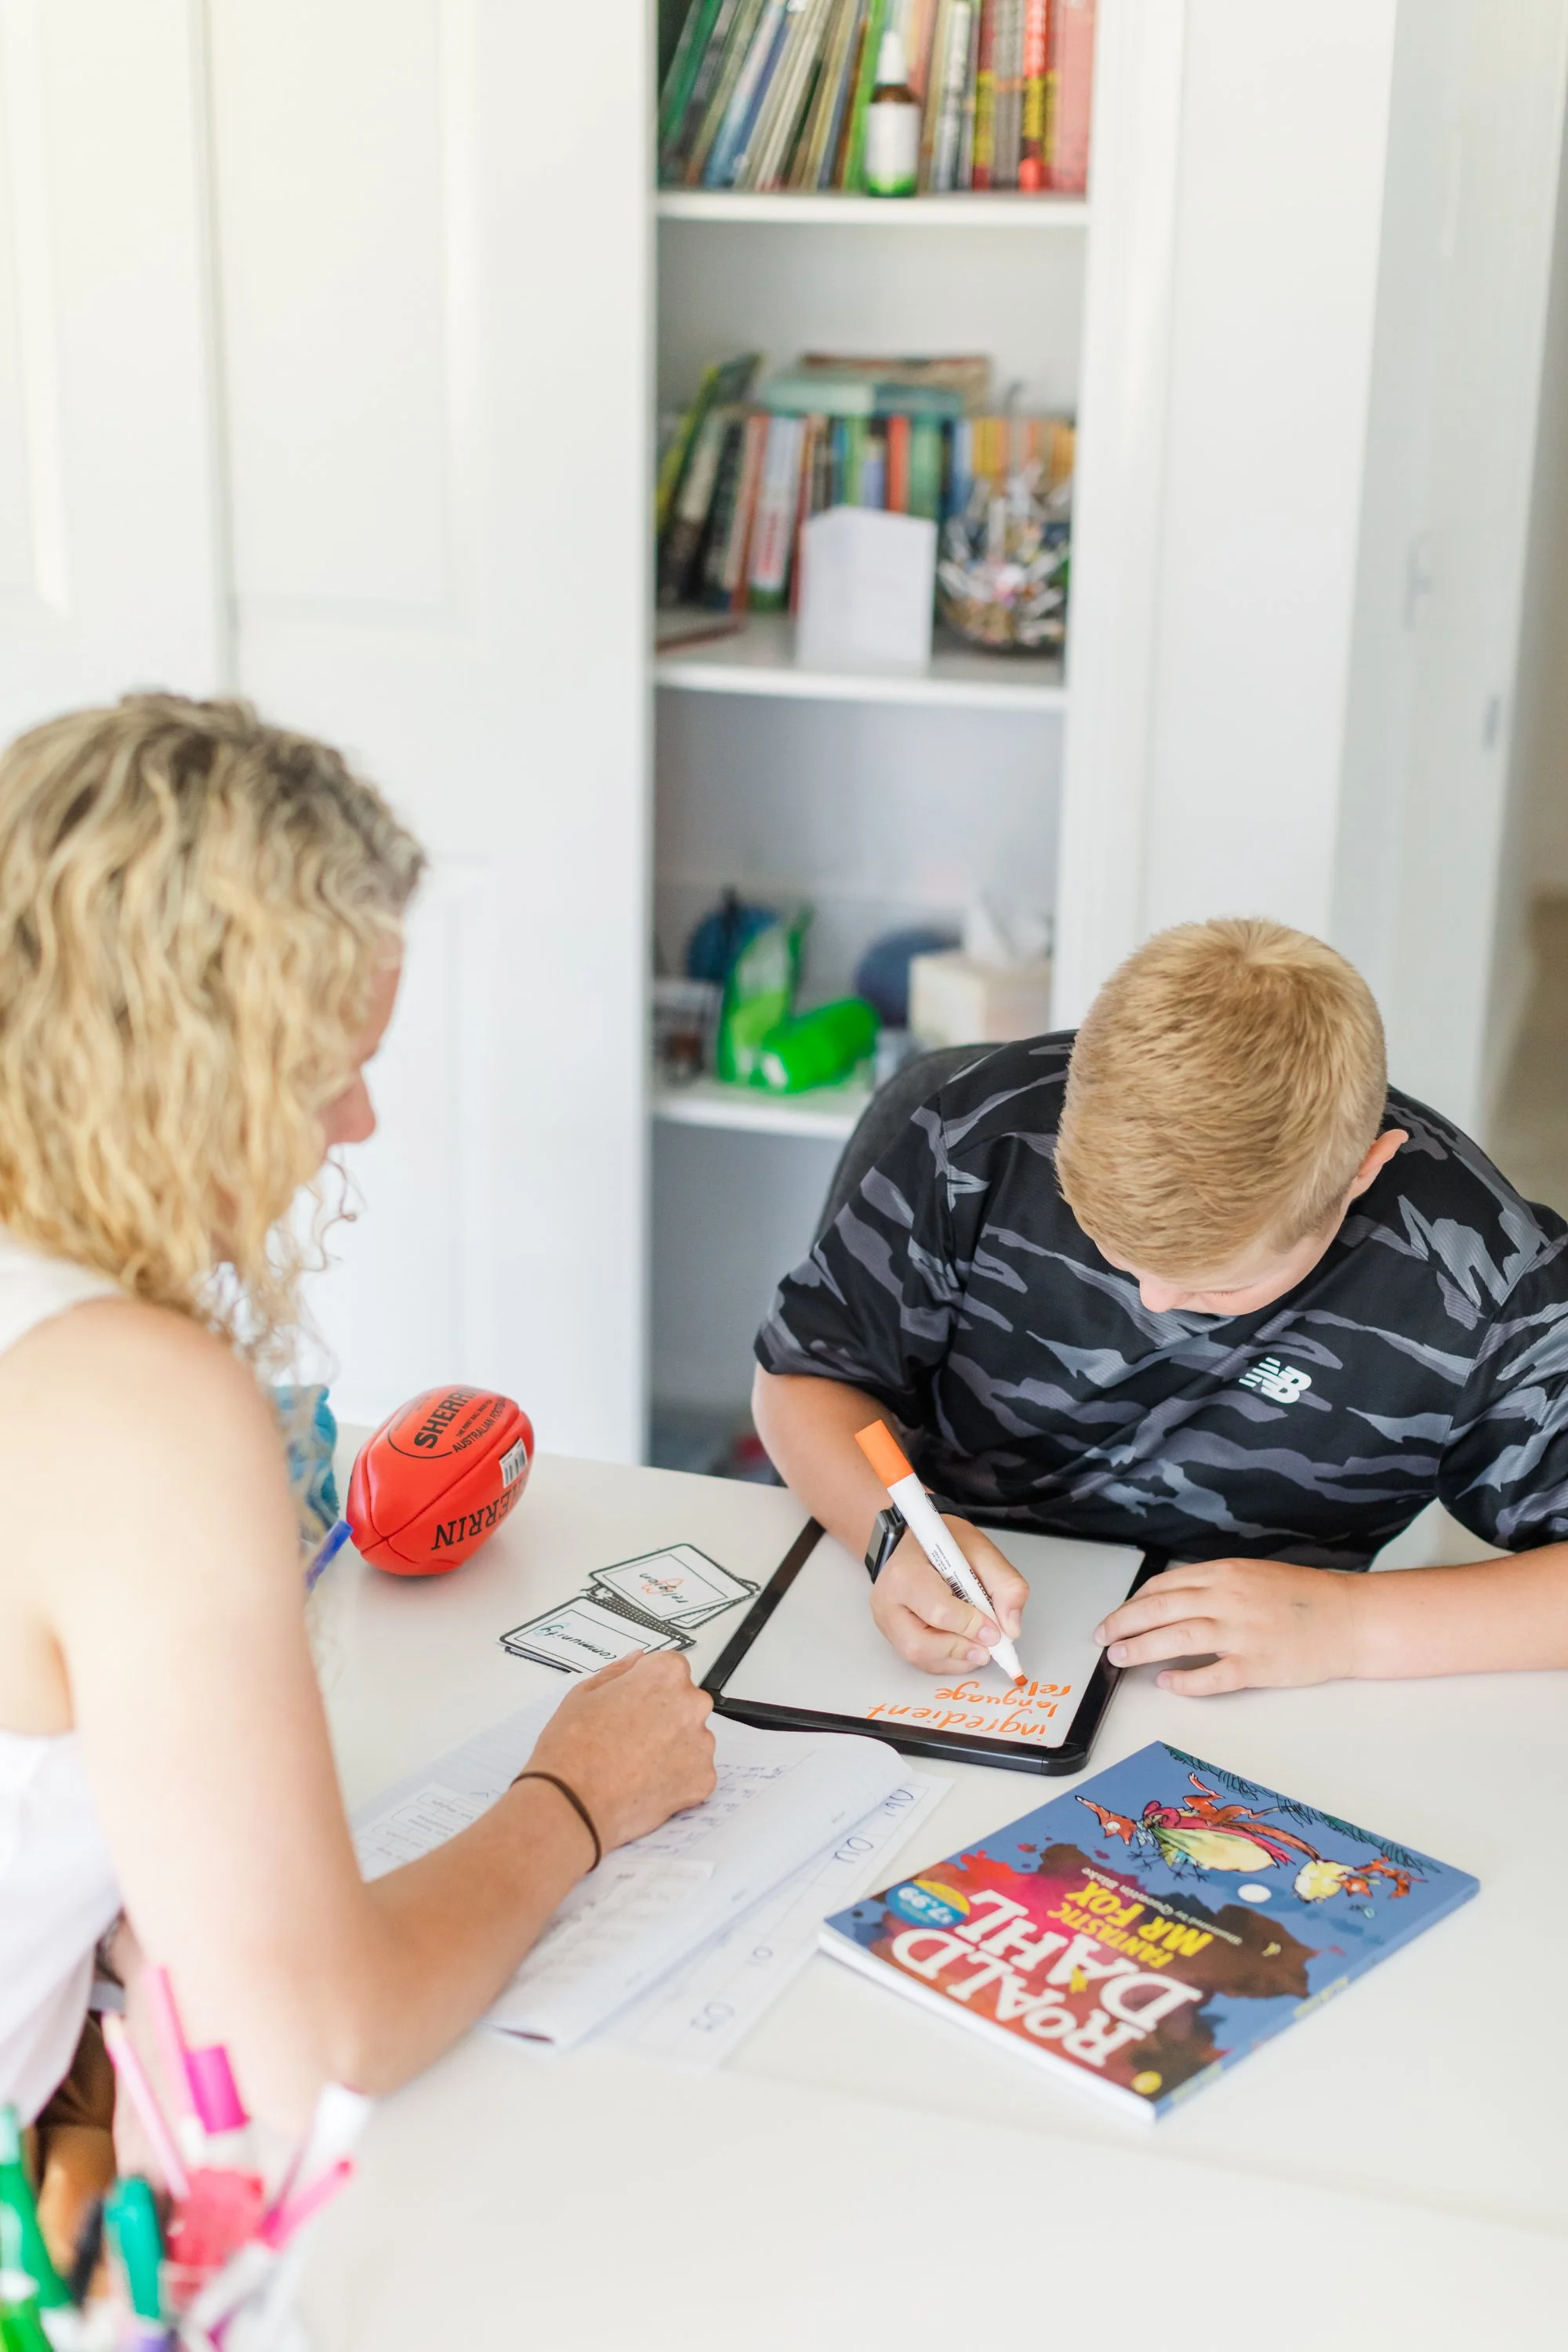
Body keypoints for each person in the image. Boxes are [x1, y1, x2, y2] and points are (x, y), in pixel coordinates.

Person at [0, 696, 716, 2188]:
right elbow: (313, 2044)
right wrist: (576, 1796)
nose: (361, 1120)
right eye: (328, 1066)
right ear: (186, 1068)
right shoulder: (126, 1399)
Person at [753, 917, 1568, 1696]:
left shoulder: (1487, 1279)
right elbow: (799, 1379)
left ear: (1360, 1171)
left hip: (1244, 1682)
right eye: (1108, 1247)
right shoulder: (982, 1134)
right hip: (958, 1621)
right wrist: (890, 1534)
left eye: (1217, 1286)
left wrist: (1351, 1627)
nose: (1153, 1301)